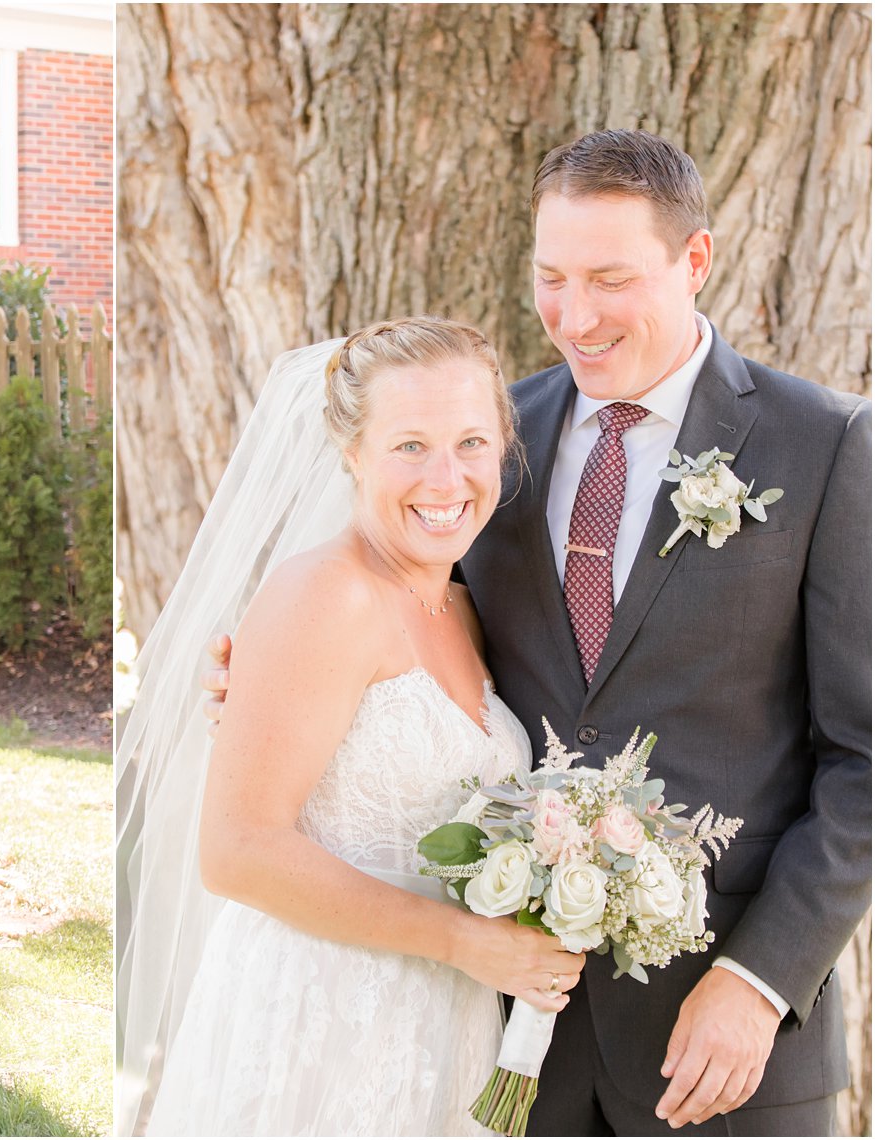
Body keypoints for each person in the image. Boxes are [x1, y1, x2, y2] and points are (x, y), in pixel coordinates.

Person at [202, 130, 871, 1135]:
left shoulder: (822, 445)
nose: (574, 314)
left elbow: (861, 756)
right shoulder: (486, 446)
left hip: (724, 1049)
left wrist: (759, 978)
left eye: (608, 277)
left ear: (693, 260)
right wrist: (249, 670)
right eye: (549, 276)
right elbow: (399, 629)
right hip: (504, 1048)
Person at [117, 317, 585, 1136]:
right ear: (350, 451)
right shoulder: (324, 595)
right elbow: (237, 851)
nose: (446, 478)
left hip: (440, 1028)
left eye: (472, 441)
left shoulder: (464, 609)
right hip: (319, 1022)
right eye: (409, 445)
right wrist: (464, 943)